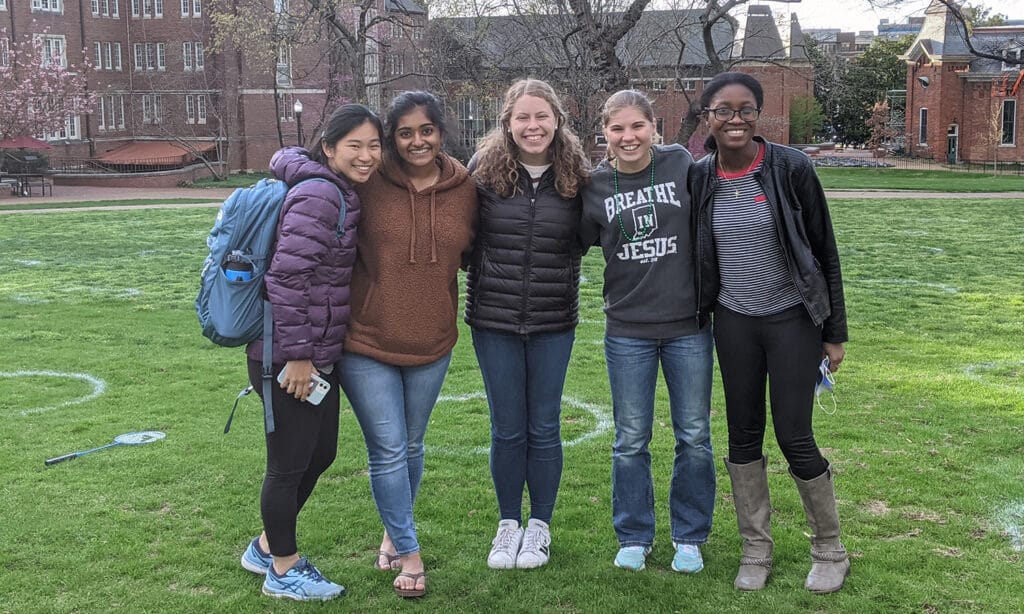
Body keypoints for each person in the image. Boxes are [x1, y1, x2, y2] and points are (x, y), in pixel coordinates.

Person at [689, 71, 850, 593]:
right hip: (734, 321)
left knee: (795, 435)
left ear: (759, 115)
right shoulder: (700, 176)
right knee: (741, 435)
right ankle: (755, 549)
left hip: (791, 320)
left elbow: (824, 251)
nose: (734, 119)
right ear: (707, 118)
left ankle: (829, 548)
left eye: (745, 109)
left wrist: (834, 333)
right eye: (723, 110)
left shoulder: (790, 167)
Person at [239, 104, 383, 602]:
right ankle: (284, 568)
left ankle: (263, 547)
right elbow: (286, 276)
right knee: (288, 465)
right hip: (287, 355)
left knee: (320, 454)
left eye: (373, 145)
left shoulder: (336, 190)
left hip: (315, 353)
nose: (366, 156)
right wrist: (298, 357)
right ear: (329, 148)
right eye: (354, 146)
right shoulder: (322, 195)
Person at [341, 90, 477, 598]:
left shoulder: (467, 188)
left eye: (426, 130)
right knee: (389, 449)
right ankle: (411, 553)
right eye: (404, 132)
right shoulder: (367, 181)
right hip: (366, 340)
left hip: (433, 342)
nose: (416, 141)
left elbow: (476, 252)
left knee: (412, 445)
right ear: (391, 138)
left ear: (441, 132)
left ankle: (391, 532)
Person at [579, 90, 715, 574]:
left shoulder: (682, 164)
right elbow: (570, 243)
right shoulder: (594, 185)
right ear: (605, 134)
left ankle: (689, 535)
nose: (628, 136)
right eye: (617, 128)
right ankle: (634, 534)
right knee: (630, 438)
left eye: (637, 126)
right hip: (628, 330)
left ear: (655, 127)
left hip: (688, 327)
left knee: (694, 435)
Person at [465, 79, 590, 570]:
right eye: (523, 117)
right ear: (507, 122)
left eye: (541, 116)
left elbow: (591, 237)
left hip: (553, 321)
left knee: (544, 426)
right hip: (492, 320)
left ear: (557, 119)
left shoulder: (579, 174)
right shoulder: (483, 172)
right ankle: (507, 524)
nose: (532, 126)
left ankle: (539, 525)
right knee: (507, 428)